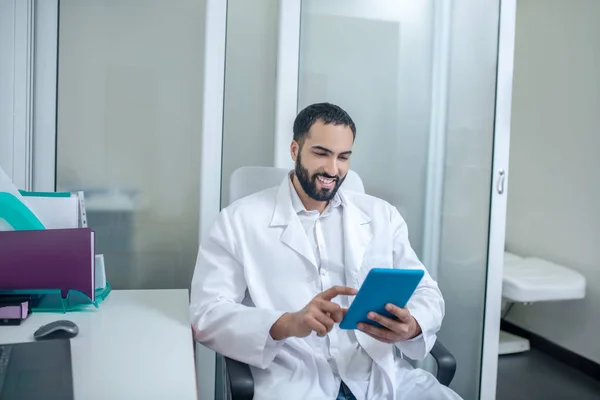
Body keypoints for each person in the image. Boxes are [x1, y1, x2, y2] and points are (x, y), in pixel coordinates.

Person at [189, 103, 462, 400]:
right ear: (295, 150)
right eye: (321, 153)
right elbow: (206, 313)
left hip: (379, 378)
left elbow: (427, 292)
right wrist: (287, 322)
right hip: (295, 379)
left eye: (343, 157)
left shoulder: (382, 216)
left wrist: (412, 325)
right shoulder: (239, 221)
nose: (333, 169)